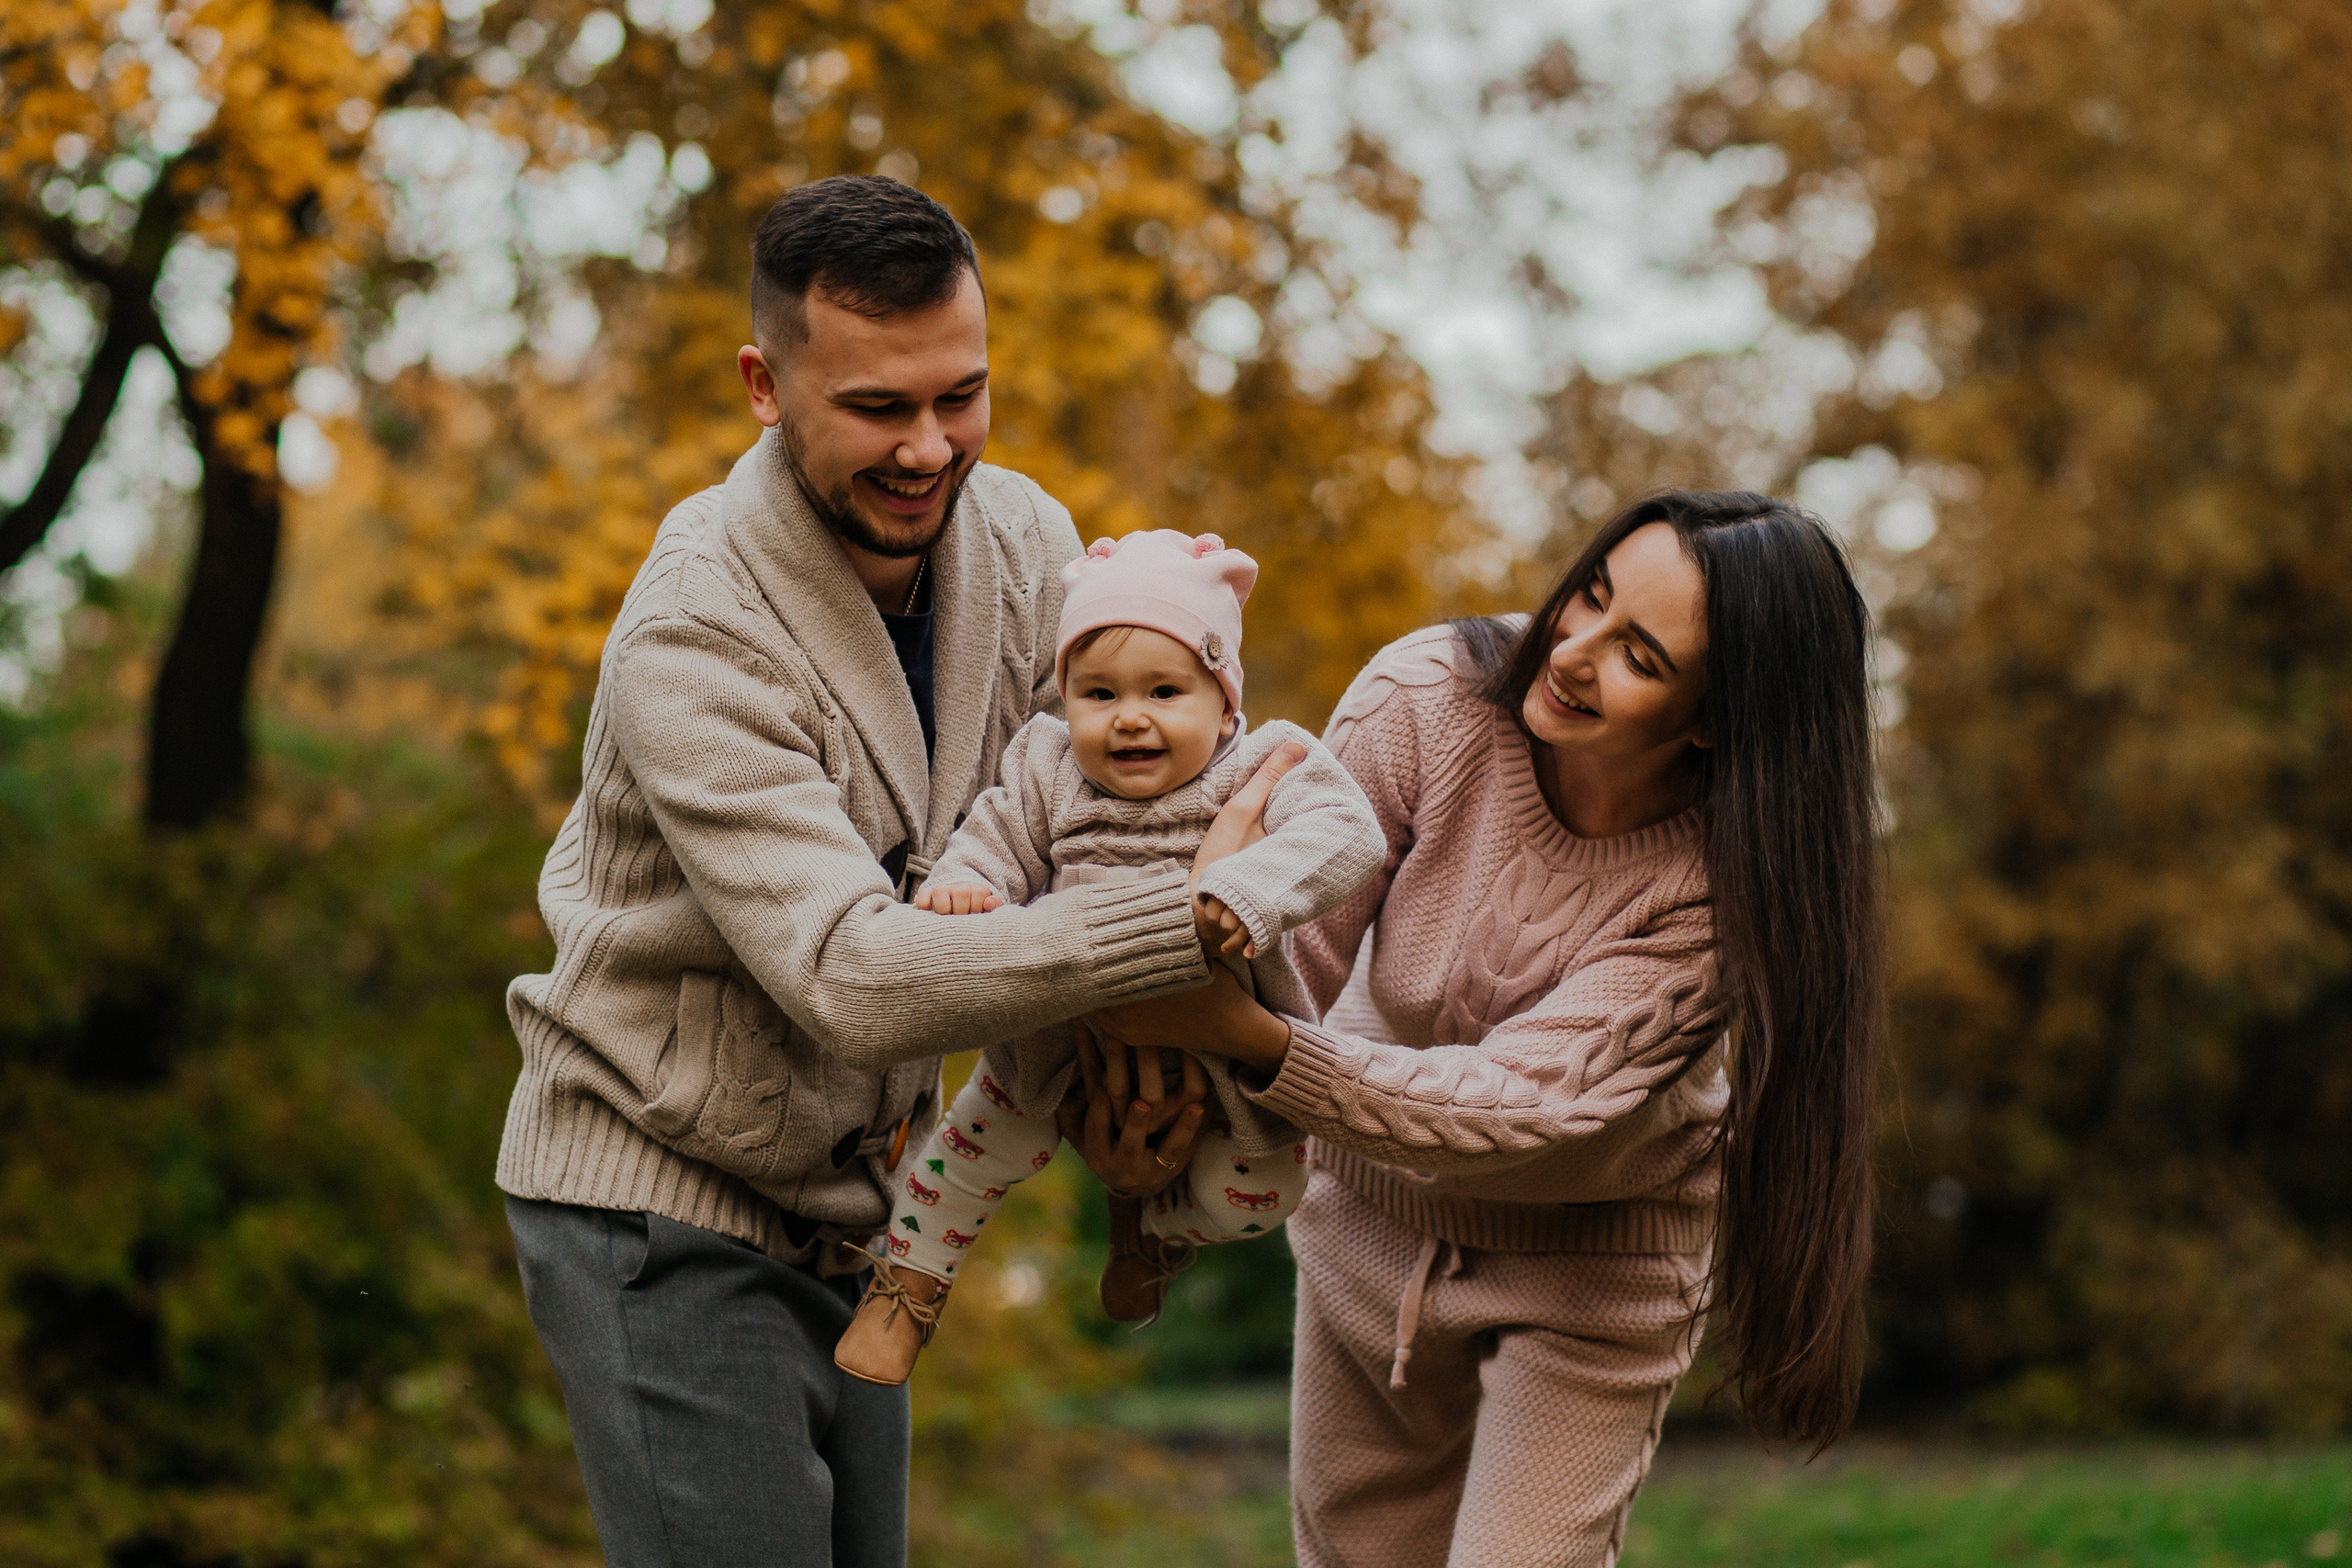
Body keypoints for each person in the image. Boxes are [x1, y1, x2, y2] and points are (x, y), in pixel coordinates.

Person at [492, 176, 1276, 1568]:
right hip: (659, 1200)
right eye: (877, 408)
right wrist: (1193, 922)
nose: (928, 448)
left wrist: (1127, 1106)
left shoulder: (1033, 544)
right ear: (763, 382)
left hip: (866, 1216)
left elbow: (1109, 817)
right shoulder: (693, 628)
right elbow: (855, 975)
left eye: (960, 396)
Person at [1081, 491, 1883, 1567]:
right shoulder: (1432, 696)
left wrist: (1250, 1044)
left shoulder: (1726, 890)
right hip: (1366, 1226)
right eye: (1588, 597)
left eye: (1638, 654)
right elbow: (1291, 965)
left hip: (1590, 1274)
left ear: (1712, 718)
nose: (1572, 650)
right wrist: (1172, 1115)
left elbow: (1531, 1107)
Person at [832, 528, 1384, 1386]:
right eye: (1097, 693)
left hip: (1215, 1048)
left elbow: (1351, 833)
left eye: (1165, 690)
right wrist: (964, 886)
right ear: (1067, 701)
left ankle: (1159, 1227)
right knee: (964, 1151)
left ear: (1224, 700)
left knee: (1269, 1190)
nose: (1129, 716)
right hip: (1062, 1034)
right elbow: (996, 840)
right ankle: (907, 1287)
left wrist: (1254, 890)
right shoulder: (1046, 763)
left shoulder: (1267, 762)